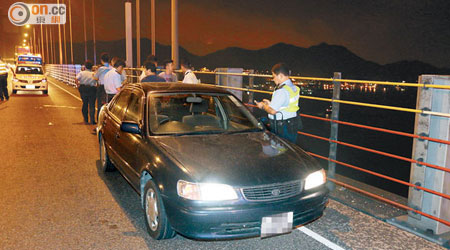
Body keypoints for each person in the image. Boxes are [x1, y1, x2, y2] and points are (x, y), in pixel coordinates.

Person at [255, 63, 300, 143]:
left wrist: (263, 106)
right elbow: (286, 104)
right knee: (289, 147)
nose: (273, 79)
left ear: (280, 76)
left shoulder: (282, 90)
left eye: (274, 76)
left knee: (280, 147)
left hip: (282, 127)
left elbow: (272, 111)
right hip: (292, 124)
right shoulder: (293, 88)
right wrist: (271, 103)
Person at [93, 52, 111, 119]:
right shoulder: (112, 68)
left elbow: (96, 77)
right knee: (109, 104)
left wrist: (93, 75)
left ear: (101, 60)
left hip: (102, 87)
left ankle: (99, 122)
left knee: (100, 105)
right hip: (110, 87)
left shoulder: (101, 69)